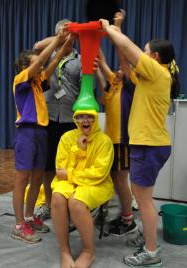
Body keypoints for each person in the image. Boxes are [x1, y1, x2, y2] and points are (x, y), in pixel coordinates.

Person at [100, 18, 180, 267]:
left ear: (154, 57)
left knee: (144, 200)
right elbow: (126, 58)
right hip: (150, 145)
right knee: (144, 197)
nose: (141, 55)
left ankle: (151, 252)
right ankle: (147, 239)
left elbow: (128, 47)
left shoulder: (157, 72)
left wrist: (108, 29)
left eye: (145, 52)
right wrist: (117, 34)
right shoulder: (151, 77)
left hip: (149, 146)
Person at [12, 29, 75, 243]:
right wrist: (57, 39)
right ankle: (19, 225)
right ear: (25, 67)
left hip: (41, 132)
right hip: (27, 133)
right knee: (22, 179)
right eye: (34, 63)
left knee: (38, 178)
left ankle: (29, 217)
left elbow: (52, 61)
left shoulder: (38, 83)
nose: (39, 66)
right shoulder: (20, 79)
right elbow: (42, 62)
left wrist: (63, 46)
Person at [51, 109, 114, 268]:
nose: (85, 120)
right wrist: (78, 151)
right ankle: (64, 251)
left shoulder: (104, 141)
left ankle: (88, 251)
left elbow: (98, 173)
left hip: (96, 183)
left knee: (76, 202)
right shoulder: (67, 138)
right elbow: (60, 169)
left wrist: (71, 175)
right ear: (75, 118)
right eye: (80, 116)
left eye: (89, 116)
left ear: (95, 118)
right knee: (58, 197)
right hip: (70, 180)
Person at [33, 19, 82, 220]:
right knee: (48, 164)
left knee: (71, 165)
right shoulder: (49, 54)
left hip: (72, 118)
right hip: (50, 116)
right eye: (65, 32)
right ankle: (48, 204)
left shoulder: (81, 58)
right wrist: (61, 37)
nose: (70, 37)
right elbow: (36, 46)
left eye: (72, 34)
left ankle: (69, 205)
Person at [95, 10, 137, 236]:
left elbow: (122, 56)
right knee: (114, 178)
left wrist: (116, 28)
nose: (119, 70)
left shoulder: (130, 84)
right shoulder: (116, 82)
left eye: (123, 68)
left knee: (121, 179)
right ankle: (120, 213)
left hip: (122, 139)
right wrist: (95, 39)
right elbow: (104, 94)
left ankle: (128, 219)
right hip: (110, 139)